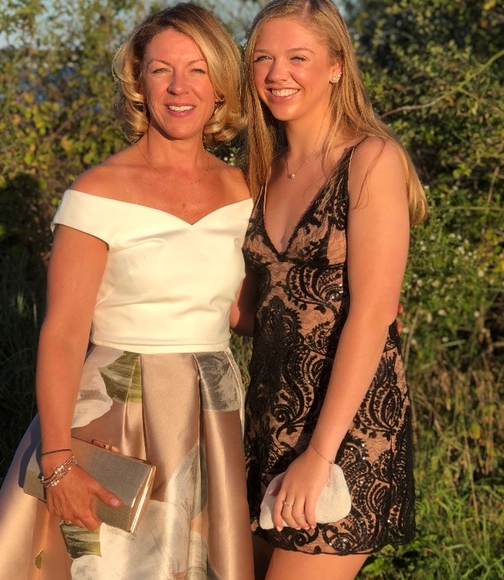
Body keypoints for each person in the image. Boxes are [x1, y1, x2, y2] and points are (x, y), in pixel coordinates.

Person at [0, 4, 255, 579]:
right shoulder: (98, 191)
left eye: (197, 69)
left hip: (212, 406)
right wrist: (57, 460)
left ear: (221, 84)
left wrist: (344, 302)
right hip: (113, 413)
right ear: (139, 83)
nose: (179, 87)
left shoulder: (241, 188)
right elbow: (63, 333)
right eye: (161, 70)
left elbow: (236, 311)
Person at [232, 1, 428, 578]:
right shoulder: (259, 170)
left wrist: (319, 454)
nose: (277, 74)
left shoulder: (370, 160)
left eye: (298, 57)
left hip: (346, 426)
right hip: (267, 419)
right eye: (262, 58)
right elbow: (252, 313)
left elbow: (372, 314)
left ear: (337, 65)